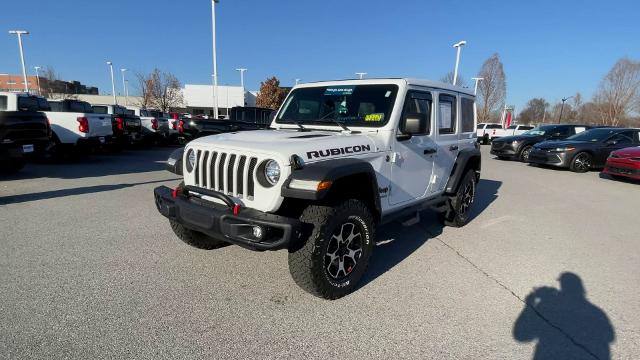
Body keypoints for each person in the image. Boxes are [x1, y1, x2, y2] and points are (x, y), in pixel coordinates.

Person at [513, 272, 615, 360]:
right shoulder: (595, 311)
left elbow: (521, 335)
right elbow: (610, 336)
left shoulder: (547, 305)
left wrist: (530, 304)